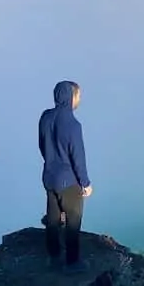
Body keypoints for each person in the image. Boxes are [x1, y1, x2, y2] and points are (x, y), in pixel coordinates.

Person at [38, 80, 91, 268]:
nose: (79, 99)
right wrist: (85, 183)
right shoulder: (73, 125)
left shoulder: (45, 117)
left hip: (49, 177)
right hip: (69, 182)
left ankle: (53, 256)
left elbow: (42, 145)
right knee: (73, 222)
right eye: (78, 95)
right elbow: (78, 158)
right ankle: (73, 262)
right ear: (70, 97)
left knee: (52, 218)